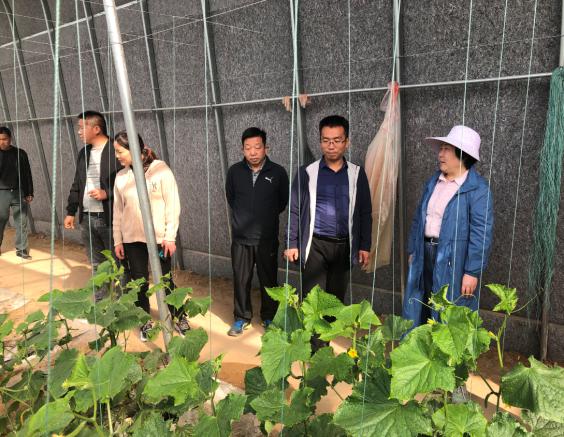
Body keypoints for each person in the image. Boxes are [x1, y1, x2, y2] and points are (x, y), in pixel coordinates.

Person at [402, 125, 494, 328]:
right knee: (421, 301)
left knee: (449, 308)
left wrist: (472, 271)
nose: (440, 154)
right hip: (424, 251)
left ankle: (445, 349)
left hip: (455, 258)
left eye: (446, 149)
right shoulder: (434, 181)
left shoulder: (477, 189)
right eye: (441, 149)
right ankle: (421, 346)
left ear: (462, 155)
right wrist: (414, 249)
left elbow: (481, 233)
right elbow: (419, 218)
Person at [284, 115, 372, 303]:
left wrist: (365, 245)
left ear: (346, 142)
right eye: (326, 140)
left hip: (344, 246)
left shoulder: (357, 174)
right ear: (320, 142)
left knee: (335, 300)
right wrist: (291, 243)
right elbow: (294, 209)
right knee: (312, 299)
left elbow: (365, 212)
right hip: (315, 245)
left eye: (337, 140)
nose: (331, 145)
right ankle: (312, 325)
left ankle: (330, 324)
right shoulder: (307, 172)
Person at [112, 130, 188, 341]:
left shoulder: (160, 170)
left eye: (120, 151)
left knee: (165, 279)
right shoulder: (121, 177)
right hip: (132, 239)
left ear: (133, 149)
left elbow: (173, 204)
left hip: (159, 239)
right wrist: (118, 240)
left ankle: (179, 316)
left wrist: (170, 236)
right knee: (139, 282)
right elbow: (118, 211)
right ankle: (144, 320)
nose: (117, 156)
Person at [225, 127, 289, 336]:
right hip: (241, 239)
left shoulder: (278, 172)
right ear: (242, 149)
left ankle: (269, 316)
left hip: (266, 239)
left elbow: (282, 202)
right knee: (241, 279)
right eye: (248, 148)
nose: (252, 152)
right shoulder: (234, 172)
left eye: (257, 147)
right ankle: (241, 317)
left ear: (265, 148)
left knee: (268, 280)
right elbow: (231, 198)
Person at [64, 111, 121, 300]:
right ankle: (101, 303)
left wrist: (107, 193)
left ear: (96, 129)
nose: (79, 132)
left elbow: (130, 182)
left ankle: (122, 305)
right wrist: (71, 211)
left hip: (110, 219)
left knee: (119, 264)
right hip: (87, 217)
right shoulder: (84, 152)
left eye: (82, 127)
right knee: (97, 264)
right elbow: (77, 183)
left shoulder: (116, 150)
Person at [0, 126, 33, 259]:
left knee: (22, 222)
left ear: (10, 139)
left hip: (18, 192)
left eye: (4, 139)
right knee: (0, 220)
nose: (2, 142)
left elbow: (27, 173)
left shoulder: (20, 153)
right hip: (1, 193)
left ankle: (22, 249)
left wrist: (29, 192)